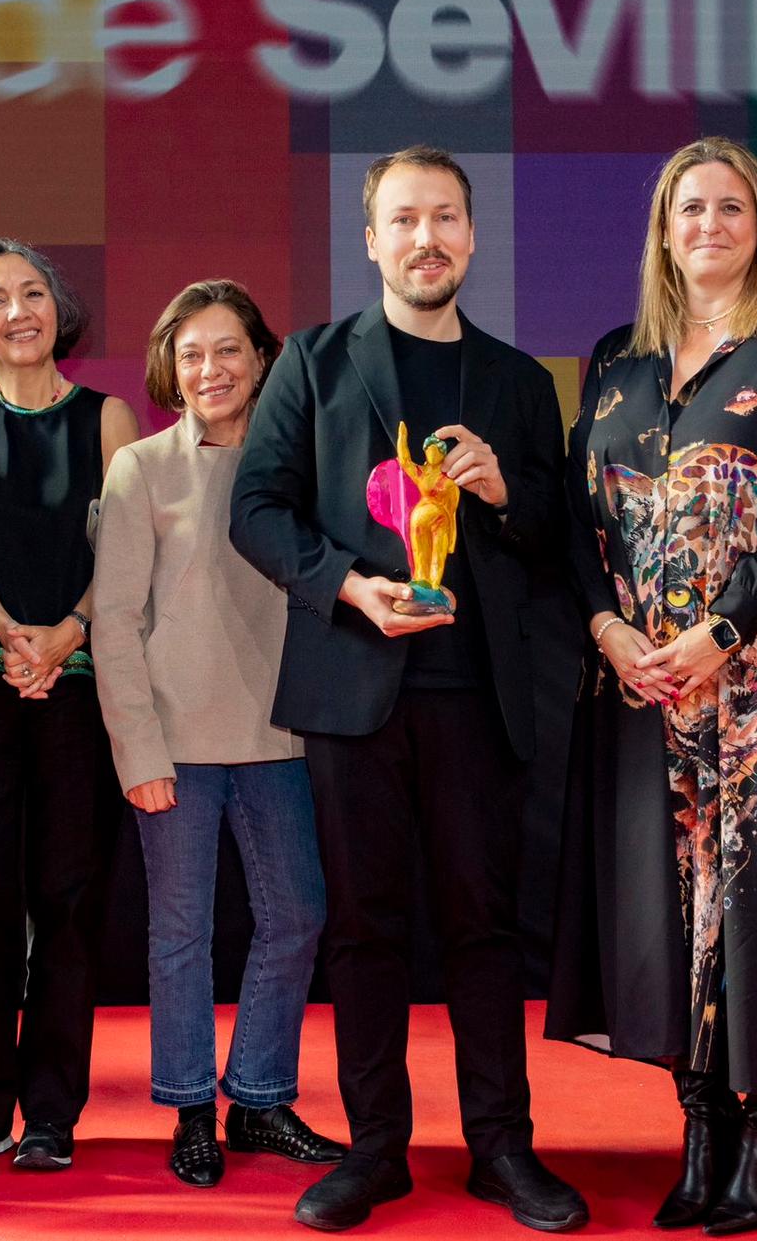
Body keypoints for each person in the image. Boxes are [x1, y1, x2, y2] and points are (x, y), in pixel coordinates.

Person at [230, 146, 587, 1234]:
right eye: (403, 219)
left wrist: (505, 492)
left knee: (484, 928)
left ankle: (500, 1147)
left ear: (472, 238)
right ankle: (377, 1148)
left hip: (482, 695)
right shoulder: (313, 361)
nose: (425, 238)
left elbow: (556, 542)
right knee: (365, 927)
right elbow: (256, 509)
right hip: (355, 689)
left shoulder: (523, 384)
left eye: (445, 219)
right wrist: (348, 588)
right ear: (372, 239)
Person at [545, 136, 757, 1235]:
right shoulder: (616, 360)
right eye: (689, 209)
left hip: (753, 688)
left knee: (750, 906)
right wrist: (607, 627)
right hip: (635, 690)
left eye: (731, 208)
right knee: (662, 911)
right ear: (663, 231)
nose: (709, 226)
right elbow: (575, 523)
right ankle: (698, 1121)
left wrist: (723, 631)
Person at [93, 279, 345, 1189]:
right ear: (170, 367)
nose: (211, 369)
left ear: (263, 357)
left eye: (228, 349)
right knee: (179, 932)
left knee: (297, 915)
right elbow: (114, 620)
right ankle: (192, 1107)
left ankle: (261, 1097)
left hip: (284, 736)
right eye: (192, 353)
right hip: (175, 744)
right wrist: (138, 749)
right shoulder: (142, 469)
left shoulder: (306, 466)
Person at [0, 238, 137, 1177]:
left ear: (60, 308)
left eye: (34, 293)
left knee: (70, 903)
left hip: (80, 691)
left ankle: (51, 1114)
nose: (18, 311)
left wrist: (68, 633)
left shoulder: (108, 418)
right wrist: (10, 627)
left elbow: (128, 556)